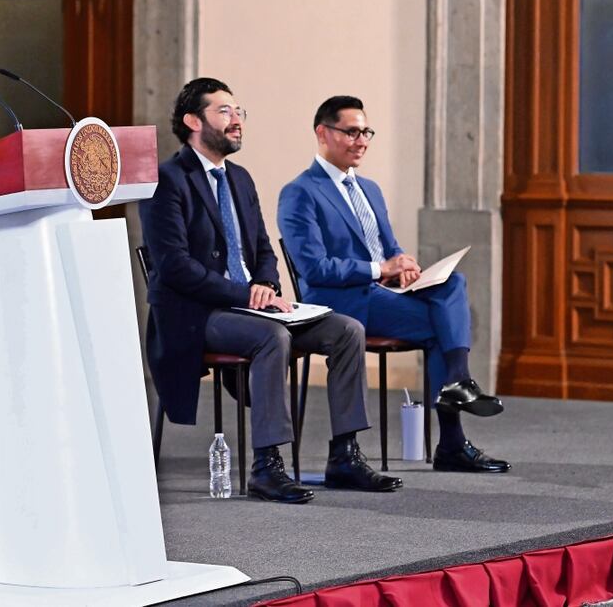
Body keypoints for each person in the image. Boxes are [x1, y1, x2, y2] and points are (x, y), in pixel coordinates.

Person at [140, 78, 402, 504]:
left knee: (347, 330)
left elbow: (262, 248)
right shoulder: (167, 180)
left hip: (253, 305)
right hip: (197, 313)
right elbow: (174, 266)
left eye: (238, 111)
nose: (236, 120)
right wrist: (244, 295)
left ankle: (344, 456)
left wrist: (265, 284)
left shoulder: (240, 178)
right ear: (193, 121)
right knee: (272, 336)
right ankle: (267, 466)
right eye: (224, 111)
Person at [277, 95, 510, 474]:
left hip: (383, 292)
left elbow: (389, 247)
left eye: (365, 132)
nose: (361, 141)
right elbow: (314, 268)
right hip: (341, 302)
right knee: (439, 327)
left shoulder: (369, 189)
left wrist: (404, 265)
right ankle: (453, 432)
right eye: (351, 132)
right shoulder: (300, 192)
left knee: (453, 283)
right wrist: (379, 268)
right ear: (322, 133)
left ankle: (458, 382)